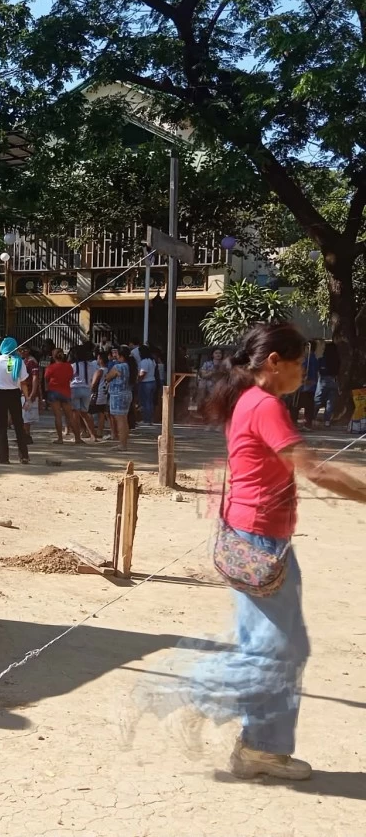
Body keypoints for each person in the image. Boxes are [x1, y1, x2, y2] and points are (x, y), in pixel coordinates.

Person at [185, 322, 366, 780]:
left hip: (261, 540)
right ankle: (207, 699)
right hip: (258, 542)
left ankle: (261, 747)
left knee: (280, 647)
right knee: (277, 650)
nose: (304, 372)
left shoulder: (251, 401)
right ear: (274, 362)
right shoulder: (264, 405)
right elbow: (316, 471)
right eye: (300, 363)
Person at [0, 337, 31, 465]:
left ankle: (3, 457)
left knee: (1, 426)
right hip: (14, 394)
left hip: (0, 393)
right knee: (19, 425)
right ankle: (24, 456)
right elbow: (24, 382)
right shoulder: (19, 361)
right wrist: (27, 398)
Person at [43, 348, 76, 444]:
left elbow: (46, 378)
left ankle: (60, 438)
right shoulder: (69, 366)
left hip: (53, 391)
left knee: (58, 416)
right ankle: (77, 438)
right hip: (66, 391)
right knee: (70, 416)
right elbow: (71, 377)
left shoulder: (50, 367)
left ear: (53, 356)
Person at [69, 345, 100, 443]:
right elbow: (97, 373)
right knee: (85, 413)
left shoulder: (73, 366)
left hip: (74, 388)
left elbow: (69, 378)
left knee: (75, 413)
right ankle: (93, 435)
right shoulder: (91, 365)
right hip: (86, 389)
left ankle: (77, 437)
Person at [105, 345, 132, 450]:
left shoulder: (118, 367)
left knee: (120, 420)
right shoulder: (131, 366)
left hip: (117, 394)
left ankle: (122, 444)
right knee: (124, 420)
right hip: (127, 393)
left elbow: (107, 377)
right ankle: (124, 443)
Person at [315, 343, 340, 427]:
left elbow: (318, 370)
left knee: (318, 399)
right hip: (334, 380)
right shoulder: (337, 360)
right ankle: (327, 421)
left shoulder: (322, 359)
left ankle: (312, 418)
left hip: (323, 380)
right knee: (330, 402)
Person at [196, 348, 224, 418]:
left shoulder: (224, 364)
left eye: (219, 353)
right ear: (212, 355)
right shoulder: (207, 364)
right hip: (208, 386)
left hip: (220, 386)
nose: (218, 354)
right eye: (216, 353)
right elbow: (202, 374)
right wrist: (212, 373)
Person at [91, 348, 110, 441]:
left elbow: (94, 383)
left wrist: (91, 389)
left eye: (98, 358)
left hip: (97, 393)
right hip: (105, 393)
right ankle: (100, 431)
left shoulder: (99, 371)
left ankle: (91, 431)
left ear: (101, 359)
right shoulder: (108, 370)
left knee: (89, 412)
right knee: (101, 413)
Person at [137, 347, 158, 424]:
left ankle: (146, 419)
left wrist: (138, 380)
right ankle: (150, 419)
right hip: (152, 381)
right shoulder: (152, 360)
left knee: (145, 402)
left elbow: (143, 373)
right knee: (150, 402)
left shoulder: (144, 362)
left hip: (145, 383)